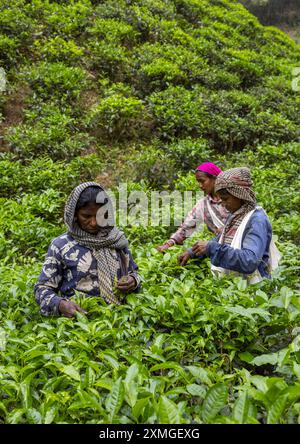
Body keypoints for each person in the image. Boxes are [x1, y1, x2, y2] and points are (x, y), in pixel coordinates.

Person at [35, 182, 141, 317]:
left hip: (121, 318)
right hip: (81, 325)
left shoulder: (116, 239)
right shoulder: (61, 246)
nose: (94, 223)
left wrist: (133, 280)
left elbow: (134, 272)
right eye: (86, 216)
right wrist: (61, 304)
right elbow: (42, 289)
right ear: (74, 214)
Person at [186, 167, 280, 284]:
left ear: (240, 195)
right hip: (234, 287)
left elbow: (249, 260)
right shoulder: (236, 214)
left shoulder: (257, 220)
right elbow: (222, 239)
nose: (223, 204)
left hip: (255, 291)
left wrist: (211, 248)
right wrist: (192, 252)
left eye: (225, 199)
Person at [156, 162, 228, 265]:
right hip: (221, 252)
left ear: (214, 178)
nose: (200, 186)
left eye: (202, 181)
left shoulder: (233, 198)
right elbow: (187, 226)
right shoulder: (203, 205)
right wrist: (169, 243)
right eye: (198, 182)